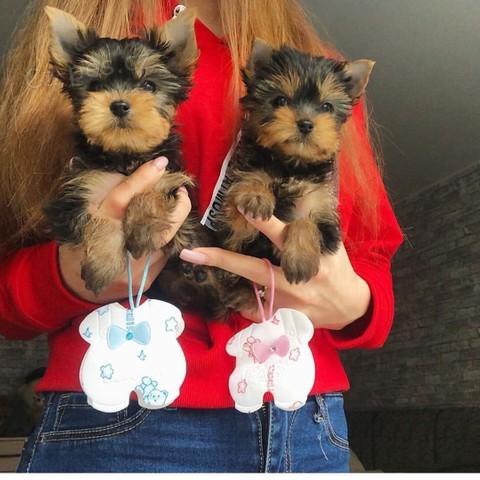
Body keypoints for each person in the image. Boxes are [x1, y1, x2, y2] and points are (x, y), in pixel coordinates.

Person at [0, 0, 403, 473]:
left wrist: (354, 304)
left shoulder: (319, 62)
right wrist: (68, 276)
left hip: (301, 410)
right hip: (115, 400)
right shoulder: (81, 34)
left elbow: (372, 249)